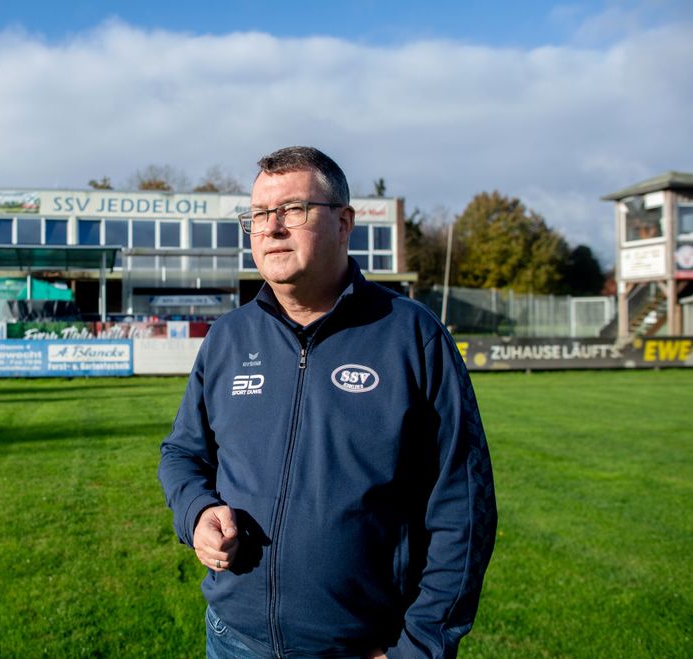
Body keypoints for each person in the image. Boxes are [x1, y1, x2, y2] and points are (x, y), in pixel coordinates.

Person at [158, 146, 497, 658]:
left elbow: (463, 510)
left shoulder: (411, 336)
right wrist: (197, 511)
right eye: (257, 215)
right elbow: (182, 453)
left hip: (361, 646)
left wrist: (420, 649)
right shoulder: (228, 338)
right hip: (233, 640)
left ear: (343, 223)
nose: (271, 228)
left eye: (292, 210)